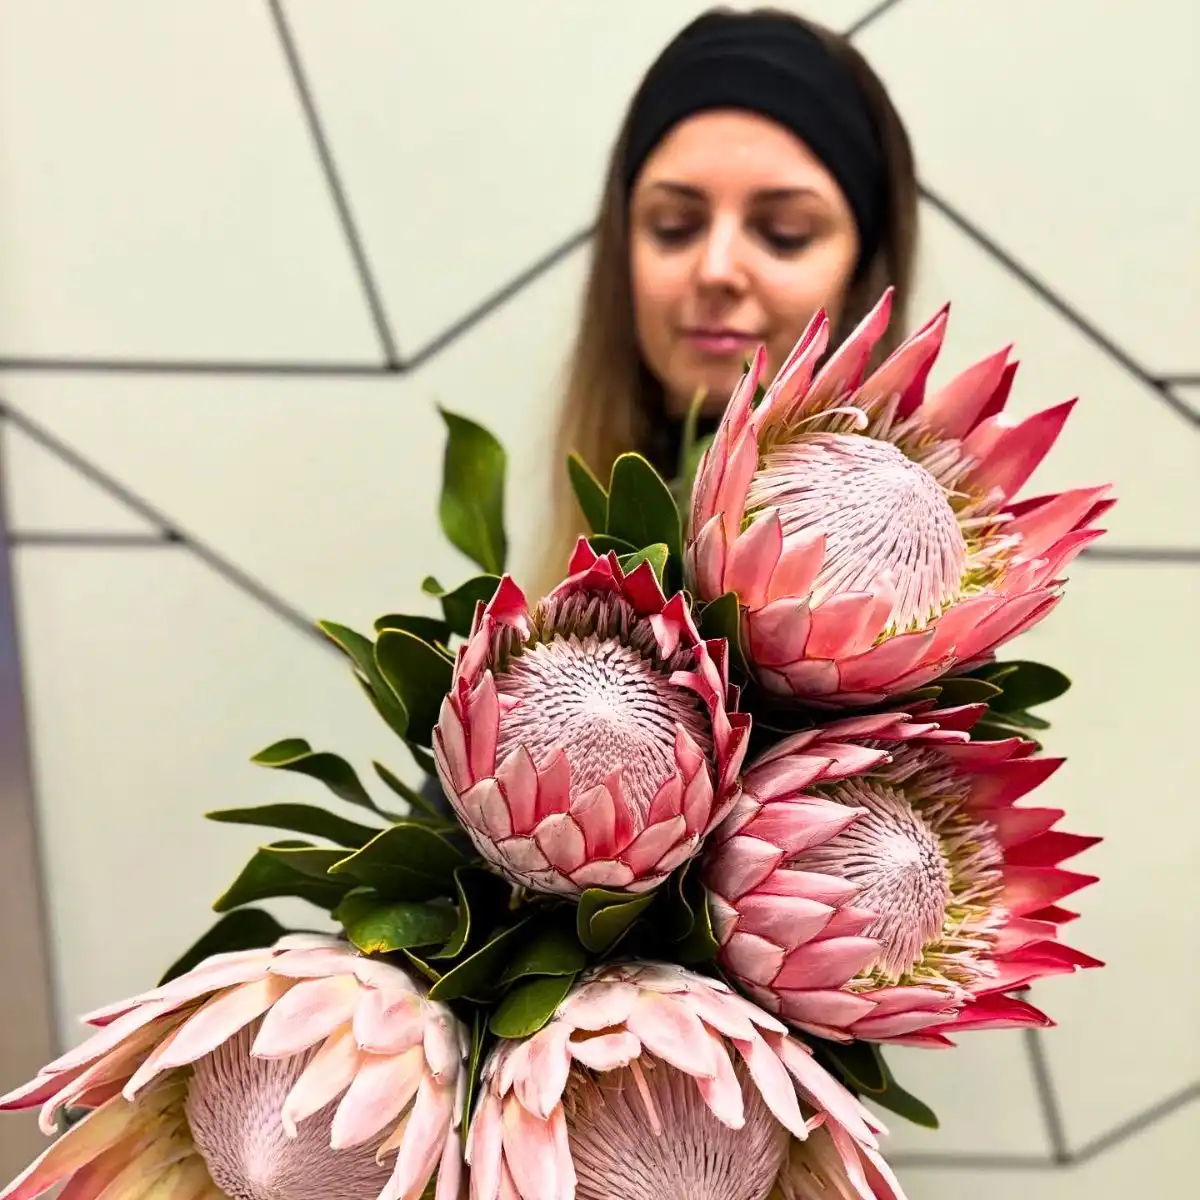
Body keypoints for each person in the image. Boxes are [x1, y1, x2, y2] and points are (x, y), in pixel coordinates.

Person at [536, 4, 920, 593]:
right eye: (673, 225)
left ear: (862, 276)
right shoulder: (522, 628)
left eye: (784, 233)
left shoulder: (922, 632)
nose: (716, 270)